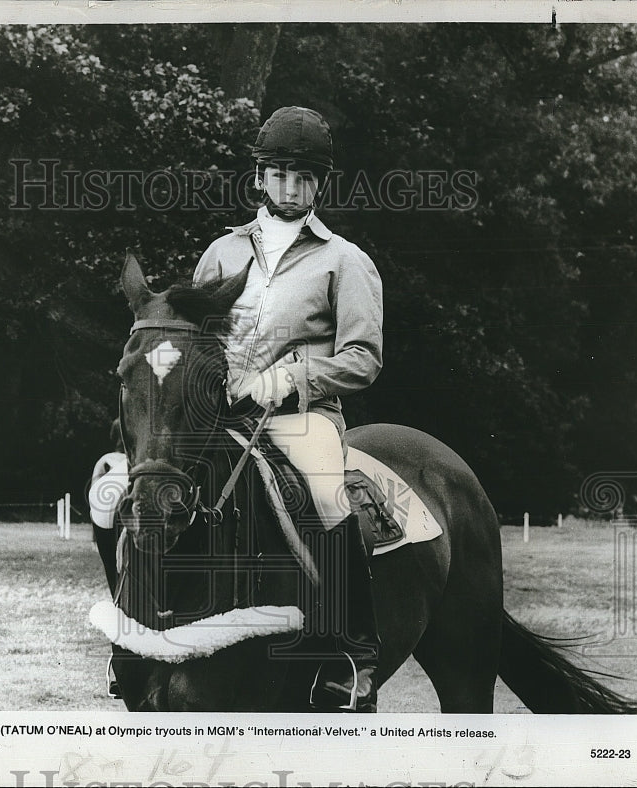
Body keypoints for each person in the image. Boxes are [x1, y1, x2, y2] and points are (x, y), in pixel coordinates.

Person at [193, 106, 384, 712]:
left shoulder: (345, 260)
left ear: (319, 184)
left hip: (301, 417)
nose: (290, 187)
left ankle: (353, 652)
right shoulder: (220, 253)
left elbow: (363, 358)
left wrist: (290, 377)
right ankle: (140, 635)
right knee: (149, 484)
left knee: (327, 492)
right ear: (259, 177)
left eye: (303, 177)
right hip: (224, 417)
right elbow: (195, 336)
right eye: (279, 174)